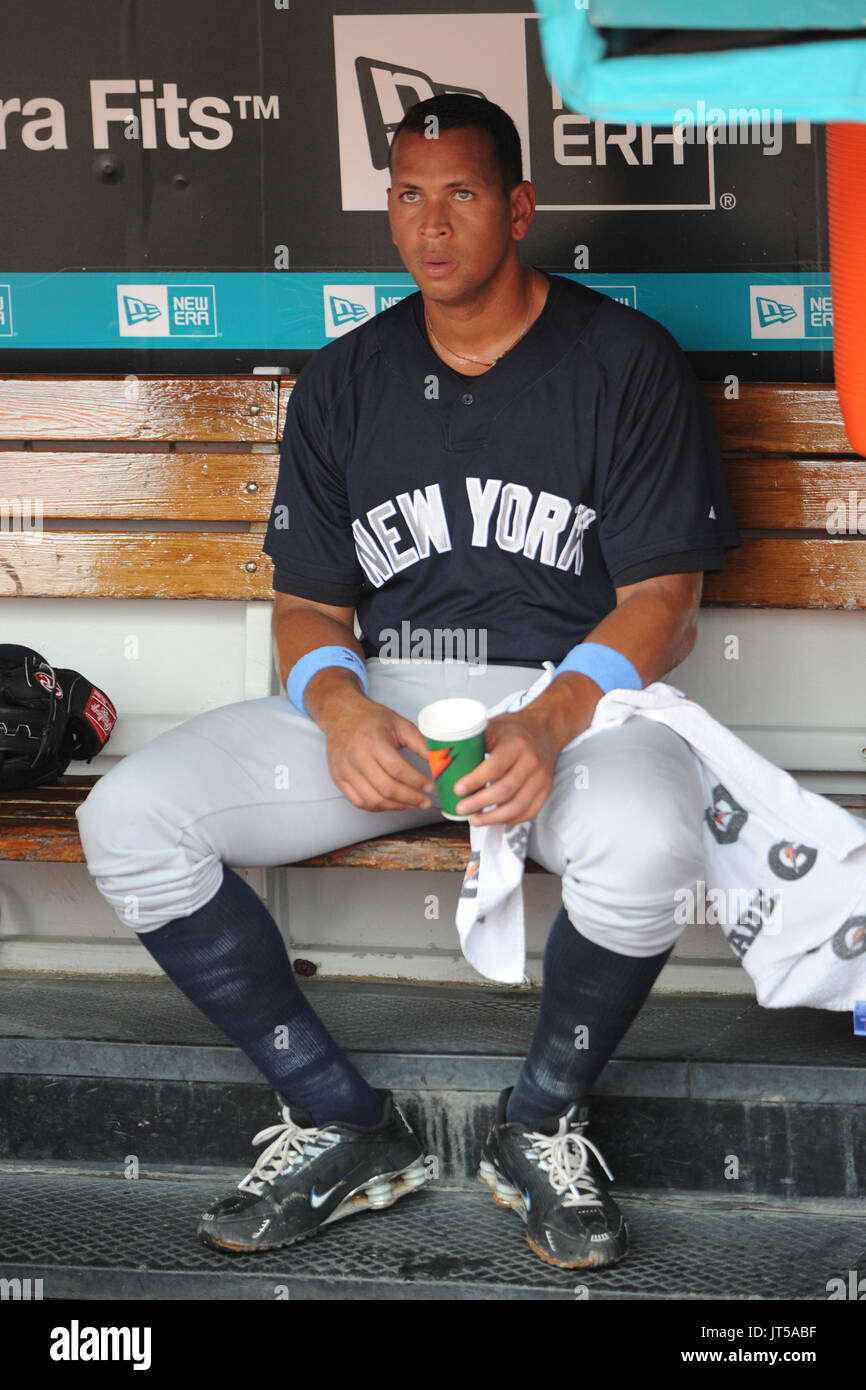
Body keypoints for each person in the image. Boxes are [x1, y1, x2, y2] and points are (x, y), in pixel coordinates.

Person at [75, 92, 740, 1271]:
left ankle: (537, 1125)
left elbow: (663, 608)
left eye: (463, 193)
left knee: (647, 840)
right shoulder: (344, 379)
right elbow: (308, 606)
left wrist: (546, 719)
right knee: (128, 815)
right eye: (408, 194)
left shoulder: (622, 362)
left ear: (520, 207)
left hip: (573, 701)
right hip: (389, 695)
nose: (431, 223)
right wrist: (334, 706)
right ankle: (338, 1118)